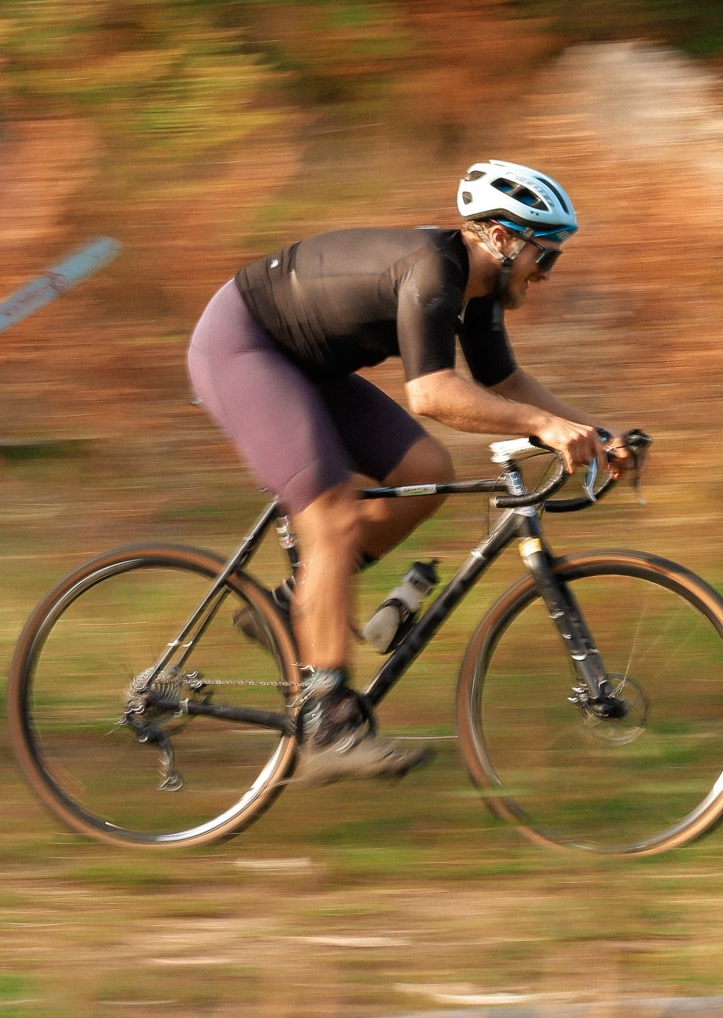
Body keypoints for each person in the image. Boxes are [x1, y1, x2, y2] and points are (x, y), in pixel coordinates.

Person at [186, 160, 625, 784]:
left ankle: (293, 608)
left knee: (426, 470)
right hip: (244, 348)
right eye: (544, 256)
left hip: (308, 365)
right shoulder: (433, 268)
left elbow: (505, 383)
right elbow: (431, 393)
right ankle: (328, 728)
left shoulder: (478, 294)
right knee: (333, 517)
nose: (547, 275)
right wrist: (544, 428)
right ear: (500, 238)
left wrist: (601, 434)